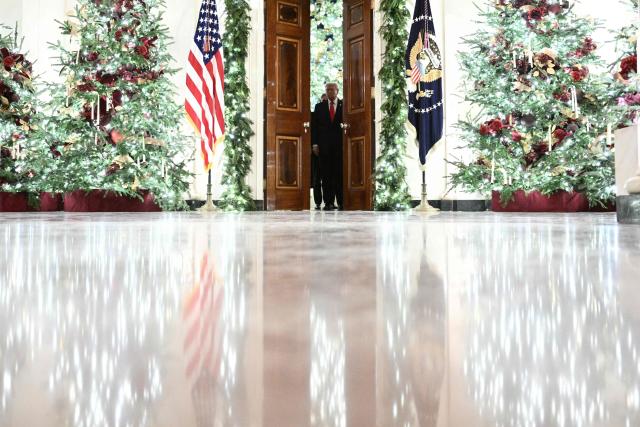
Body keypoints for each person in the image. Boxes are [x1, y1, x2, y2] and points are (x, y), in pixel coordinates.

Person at [311, 83, 343, 211]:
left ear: (337, 91)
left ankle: (341, 202)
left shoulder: (344, 105)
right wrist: (315, 144)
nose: (330, 92)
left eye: (332, 89)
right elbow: (315, 127)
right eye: (327, 90)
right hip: (323, 147)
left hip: (339, 147)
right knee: (326, 176)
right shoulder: (319, 107)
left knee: (339, 175)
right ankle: (328, 202)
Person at [311, 94, 328, 210]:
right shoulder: (316, 111)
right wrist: (315, 145)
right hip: (318, 149)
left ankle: (329, 202)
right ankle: (317, 202)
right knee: (317, 177)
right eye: (323, 101)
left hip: (330, 149)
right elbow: (314, 129)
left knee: (330, 177)